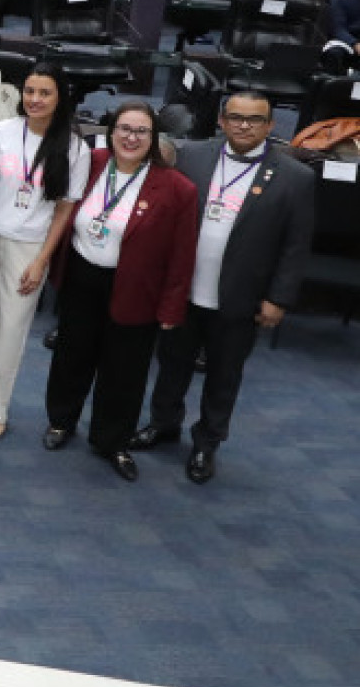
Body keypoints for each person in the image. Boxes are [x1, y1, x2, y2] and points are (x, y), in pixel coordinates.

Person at [132, 91, 314, 485]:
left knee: (223, 374)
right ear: (221, 120)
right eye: (235, 117)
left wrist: (278, 298)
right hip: (184, 288)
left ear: (270, 126)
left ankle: (206, 443)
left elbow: (296, 246)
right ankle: (163, 423)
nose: (243, 125)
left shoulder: (295, 178)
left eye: (253, 119)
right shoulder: (192, 156)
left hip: (240, 297)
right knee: (171, 364)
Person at [41, 101, 197, 481]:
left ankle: (112, 441)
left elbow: (182, 256)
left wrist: (171, 310)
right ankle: (61, 421)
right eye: (123, 129)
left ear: (154, 138)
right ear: (110, 133)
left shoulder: (178, 189)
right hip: (81, 277)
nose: (131, 137)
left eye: (141, 131)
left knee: (124, 371)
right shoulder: (91, 163)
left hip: (136, 289)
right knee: (71, 356)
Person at [0, 64, 89, 439]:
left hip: (30, 246)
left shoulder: (74, 147)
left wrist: (41, 260)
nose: (34, 99)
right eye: (29, 91)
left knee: (11, 329)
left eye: (44, 93)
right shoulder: (1, 131)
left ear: (60, 97)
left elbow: (64, 209)